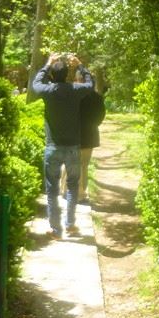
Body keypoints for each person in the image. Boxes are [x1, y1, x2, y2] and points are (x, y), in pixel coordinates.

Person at [32, 52, 94, 239]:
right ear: (67, 74)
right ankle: (70, 224)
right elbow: (91, 84)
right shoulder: (75, 90)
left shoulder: (48, 91)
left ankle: (55, 229)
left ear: (53, 73)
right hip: (73, 147)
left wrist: (47, 64)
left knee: (51, 189)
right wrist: (80, 66)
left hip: (53, 147)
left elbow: (36, 83)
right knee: (73, 186)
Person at [60, 70, 105, 204]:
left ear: (78, 80)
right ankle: (80, 194)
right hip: (89, 135)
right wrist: (91, 126)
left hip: (72, 135)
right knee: (83, 166)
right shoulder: (96, 97)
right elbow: (100, 117)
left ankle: (66, 191)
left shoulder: (71, 95)